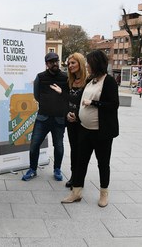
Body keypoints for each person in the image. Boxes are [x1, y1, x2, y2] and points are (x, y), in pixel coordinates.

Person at [61, 50, 119, 208]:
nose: (87, 65)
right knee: (81, 162)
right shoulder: (90, 80)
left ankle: (104, 194)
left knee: (103, 163)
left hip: (102, 133)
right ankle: (76, 193)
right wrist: (75, 116)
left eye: (89, 62)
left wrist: (94, 103)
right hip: (84, 129)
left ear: (96, 64)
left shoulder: (109, 81)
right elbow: (81, 101)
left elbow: (114, 105)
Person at [22, 52, 69, 182]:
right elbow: (36, 95)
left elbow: (67, 96)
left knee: (58, 146)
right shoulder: (40, 77)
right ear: (47, 64)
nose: (54, 63)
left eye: (56, 61)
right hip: (43, 118)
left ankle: (57, 169)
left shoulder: (65, 77)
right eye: (51, 61)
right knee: (34, 144)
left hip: (59, 119)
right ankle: (32, 169)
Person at [50, 53, 88, 188]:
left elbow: (83, 102)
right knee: (74, 150)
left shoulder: (88, 81)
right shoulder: (69, 81)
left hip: (83, 122)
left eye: (73, 63)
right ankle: (73, 176)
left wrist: (76, 114)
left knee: (82, 151)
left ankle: (79, 179)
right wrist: (67, 114)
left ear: (80, 64)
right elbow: (65, 101)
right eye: (69, 63)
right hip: (70, 122)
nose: (70, 66)